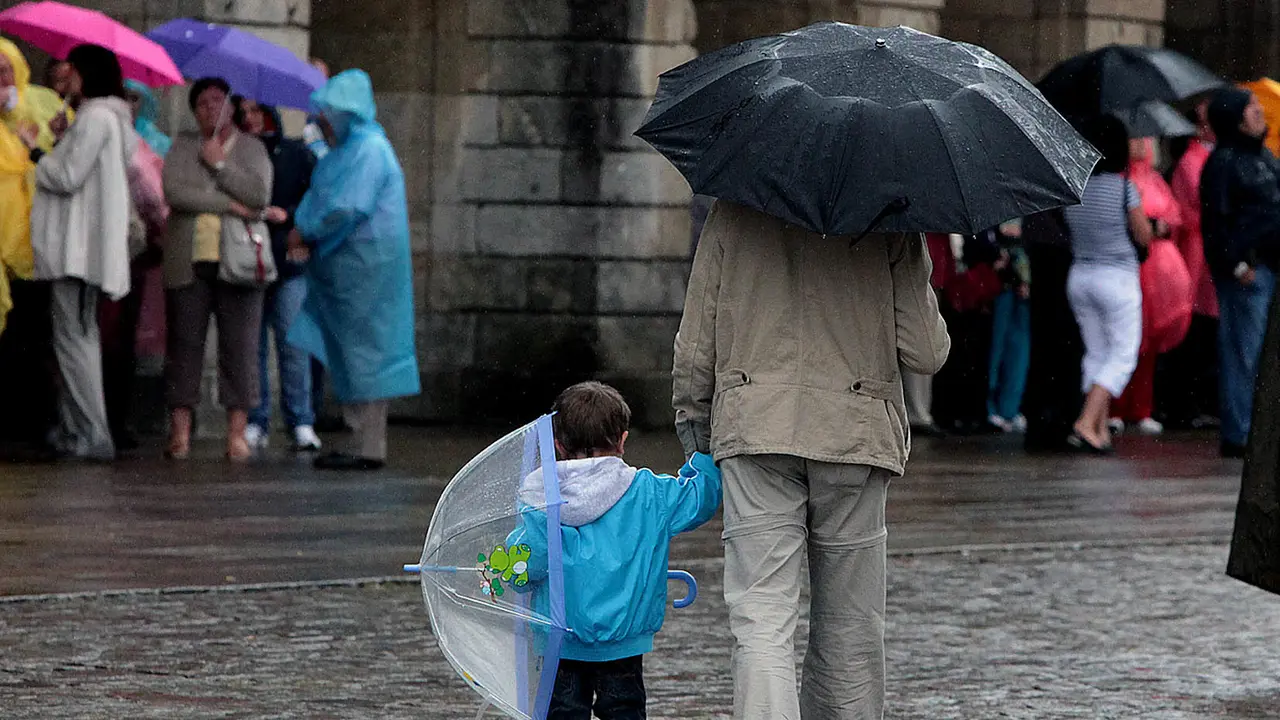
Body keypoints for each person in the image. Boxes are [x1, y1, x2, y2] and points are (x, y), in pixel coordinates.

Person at [672, 200, 949, 719]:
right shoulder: (889, 215)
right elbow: (926, 352)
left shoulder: (735, 210)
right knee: (850, 624)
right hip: (854, 430)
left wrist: (696, 425)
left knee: (761, 615)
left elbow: (696, 340)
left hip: (756, 425)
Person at [507, 381, 721, 719]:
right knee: (623, 710)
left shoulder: (540, 499)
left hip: (560, 643)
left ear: (558, 446)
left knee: (562, 712)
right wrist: (702, 455)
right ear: (622, 440)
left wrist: (507, 563)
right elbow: (702, 497)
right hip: (624, 643)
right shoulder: (650, 493)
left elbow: (523, 570)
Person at [287, 69, 419, 471]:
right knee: (353, 355)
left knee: (367, 357)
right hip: (353, 271)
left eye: (329, 114)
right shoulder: (352, 149)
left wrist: (306, 229)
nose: (323, 122)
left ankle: (367, 445)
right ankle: (359, 441)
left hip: (366, 272)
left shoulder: (368, 150)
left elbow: (345, 206)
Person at [22, 44, 136, 461]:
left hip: (77, 250)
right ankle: (80, 430)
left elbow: (67, 176)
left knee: (75, 342)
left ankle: (90, 433)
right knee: (77, 340)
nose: (65, 76)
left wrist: (36, 150)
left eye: (72, 69)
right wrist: (62, 137)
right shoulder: (106, 118)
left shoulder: (96, 117)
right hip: (84, 250)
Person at [162, 77, 273, 461]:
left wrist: (220, 166)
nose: (211, 109)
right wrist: (226, 204)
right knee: (183, 346)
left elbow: (258, 196)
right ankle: (180, 432)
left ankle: (237, 433)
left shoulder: (252, 148)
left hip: (239, 260)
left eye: (218, 101)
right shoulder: (183, 145)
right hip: (189, 259)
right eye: (203, 103)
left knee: (240, 347)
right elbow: (175, 192)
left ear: (230, 106)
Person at [234, 97, 321, 453]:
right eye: (243, 113)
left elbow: (316, 195)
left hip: (286, 260)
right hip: (249, 259)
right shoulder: (238, 153)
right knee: (251, 349)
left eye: (256, 111)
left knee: (293, 344)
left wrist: (291, 215)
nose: (250, 118)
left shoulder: (295, 153)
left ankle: (301, 419)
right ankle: (257, 419)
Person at [1061, 116, 1152, 453]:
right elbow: (1143, 234)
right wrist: (1153, 229)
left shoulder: (1076, 189)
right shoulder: (1125, 188)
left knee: (1097, 352)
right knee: (1123, 356)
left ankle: (1099, 431)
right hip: (1117, 278)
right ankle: (1086, 422)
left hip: (1081, 275)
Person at [1200, 88, 1280, 458]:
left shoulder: (1265, 157)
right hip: (1250, 272)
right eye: (1250, 107)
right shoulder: (1223, 163)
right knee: (1244, 353)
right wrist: (1236, 264)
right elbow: (1215, 222)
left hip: (1271, 267)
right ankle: (1240, 433)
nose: (1258, 111)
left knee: (1263, 355)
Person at [0, 38, 61, 459]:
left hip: (35, 243)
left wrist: (19, 113)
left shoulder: (40, 102)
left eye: (6, 68)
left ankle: (34, 423)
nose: (1, 77)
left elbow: (60, 156)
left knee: (33, 337)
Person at [1109, 137, 1185, 436]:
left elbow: (1174, 215)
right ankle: (1114, 406)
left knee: (1149, 343)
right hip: (1137, 267)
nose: (1142, 144)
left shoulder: (1155, 179)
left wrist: (1162, 226)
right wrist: (1151, 225)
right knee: (1126, 338)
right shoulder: (1122, 180)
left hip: (1160, 270)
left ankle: (1142, 407)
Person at [1161, 99, 1220, 430]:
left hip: (1202, 251)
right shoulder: (1191, 161)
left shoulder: (1201, 157)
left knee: (1202, 329)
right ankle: (1184, 403)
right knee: (1194, 328)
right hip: (1194, 252)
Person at [986, 220, 1031, 433]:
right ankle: (993, 407)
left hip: (1019, 279)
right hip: (1001, 279)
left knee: (1016, 350)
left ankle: (1008, 408)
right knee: (997, 348)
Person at [124, 79, 171, 157]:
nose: (128, 104)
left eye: (134, 98)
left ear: (143, 102)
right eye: (123, 97)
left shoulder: (153, 138)